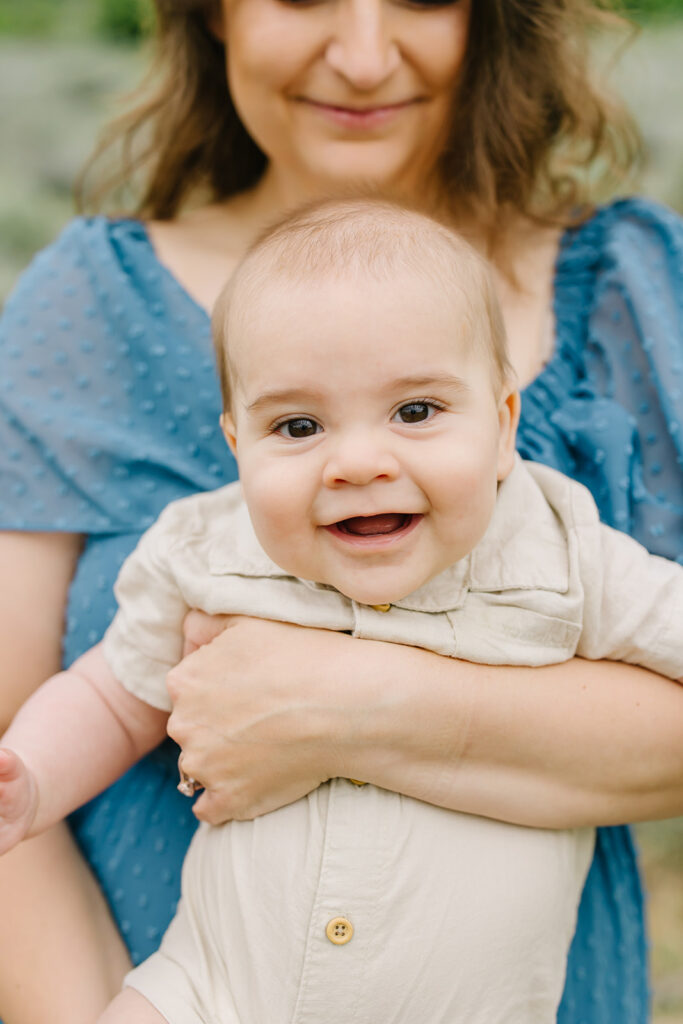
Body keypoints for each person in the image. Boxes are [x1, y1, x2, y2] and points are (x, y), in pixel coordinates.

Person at [0, 2, 681, 1022]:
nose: (362, 57)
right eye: (298, 426)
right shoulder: (195, 519)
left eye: (416, 410)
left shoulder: (560, 524)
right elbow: (76, 706)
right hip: (195, 989)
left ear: (505, 422)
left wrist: (348, 707)